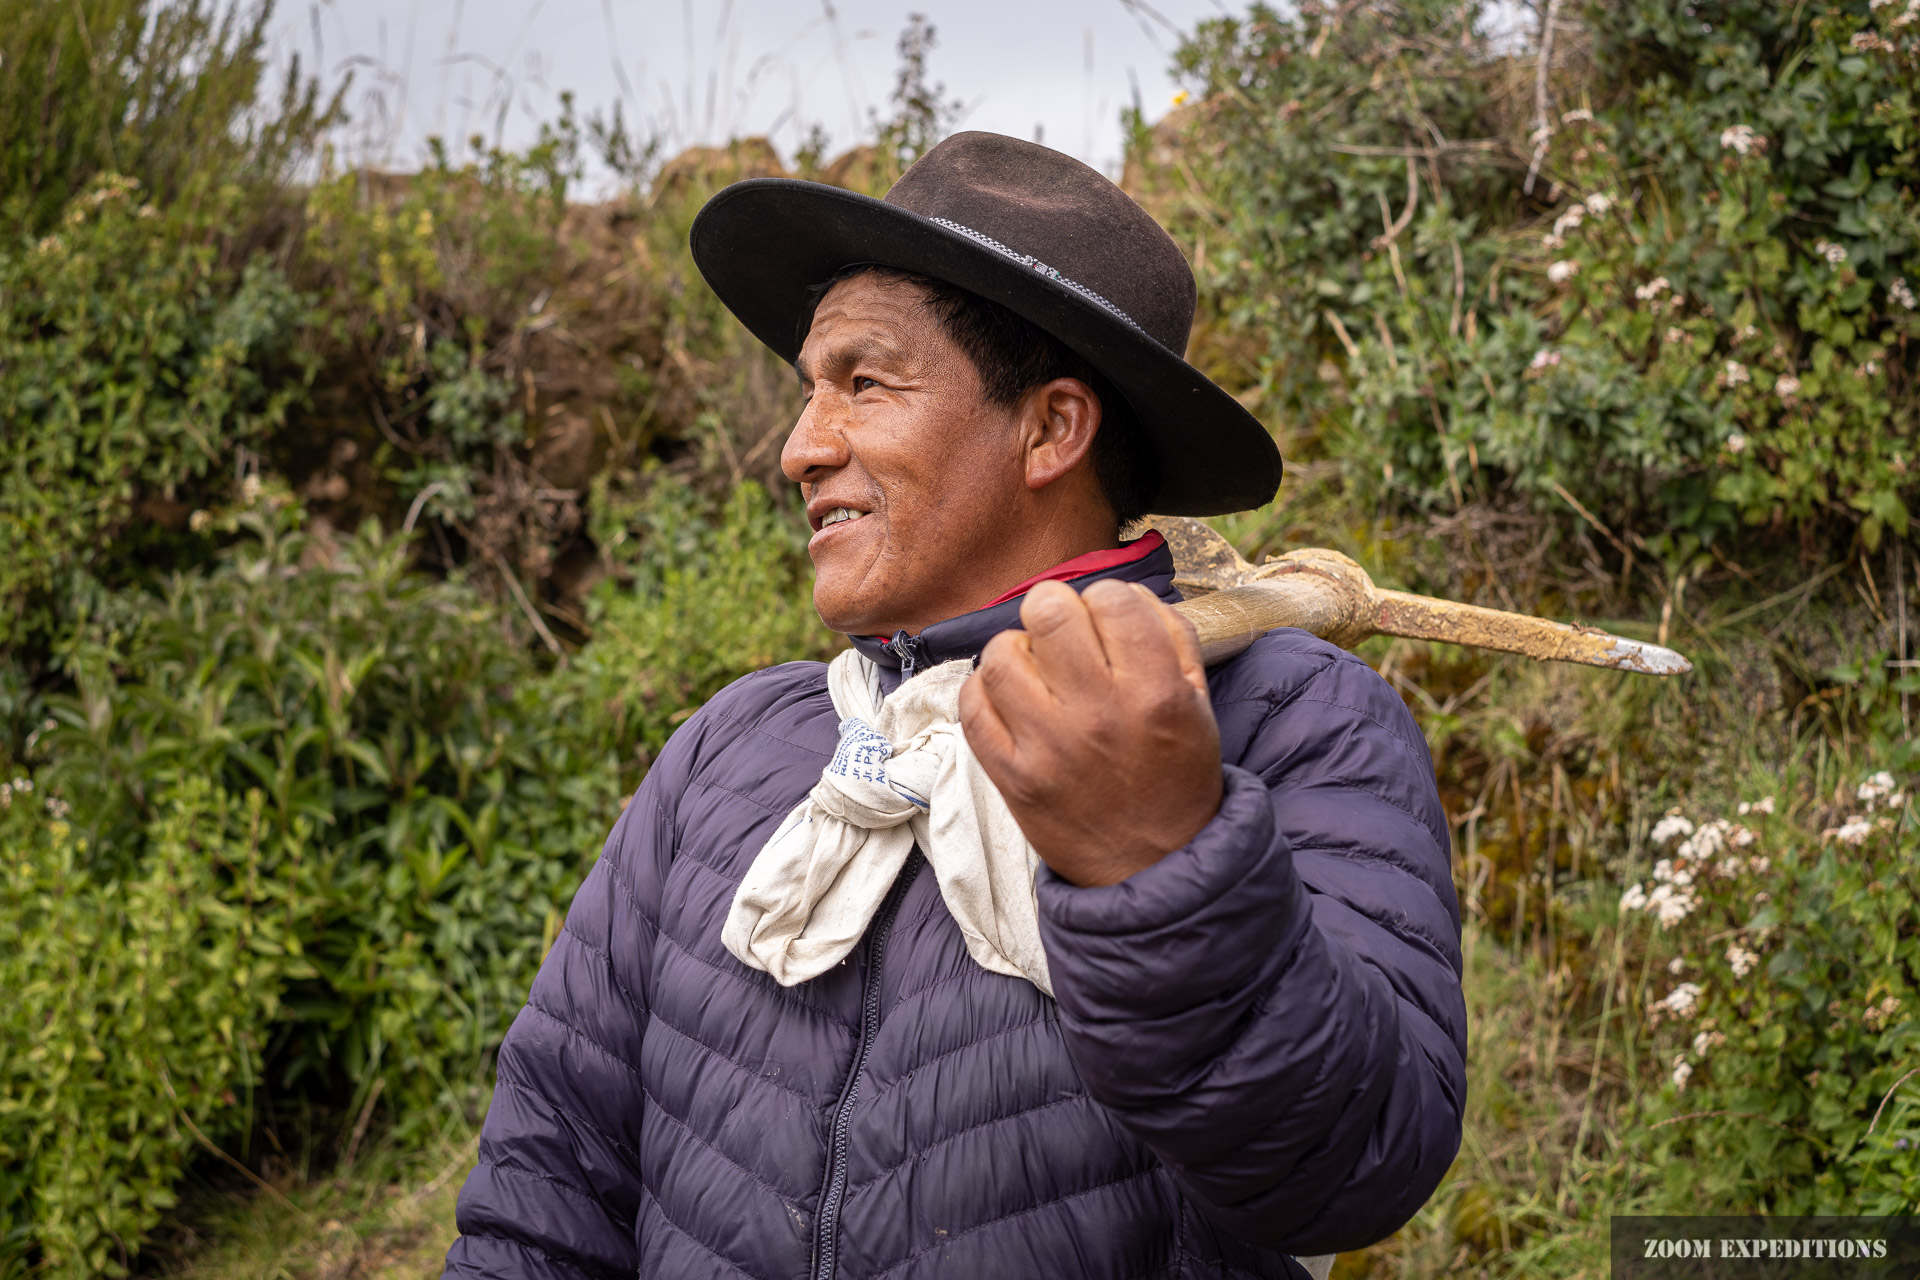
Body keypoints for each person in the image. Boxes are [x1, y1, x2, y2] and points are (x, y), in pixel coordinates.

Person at [443, 131, 1465, 1280]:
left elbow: (1361, 1161)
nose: (799, 448)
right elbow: (546, 1189)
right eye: (808, 392)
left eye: (863, 382)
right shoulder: (732, 750)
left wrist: (1162, 867)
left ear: (1050, 429)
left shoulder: (1288, 723)